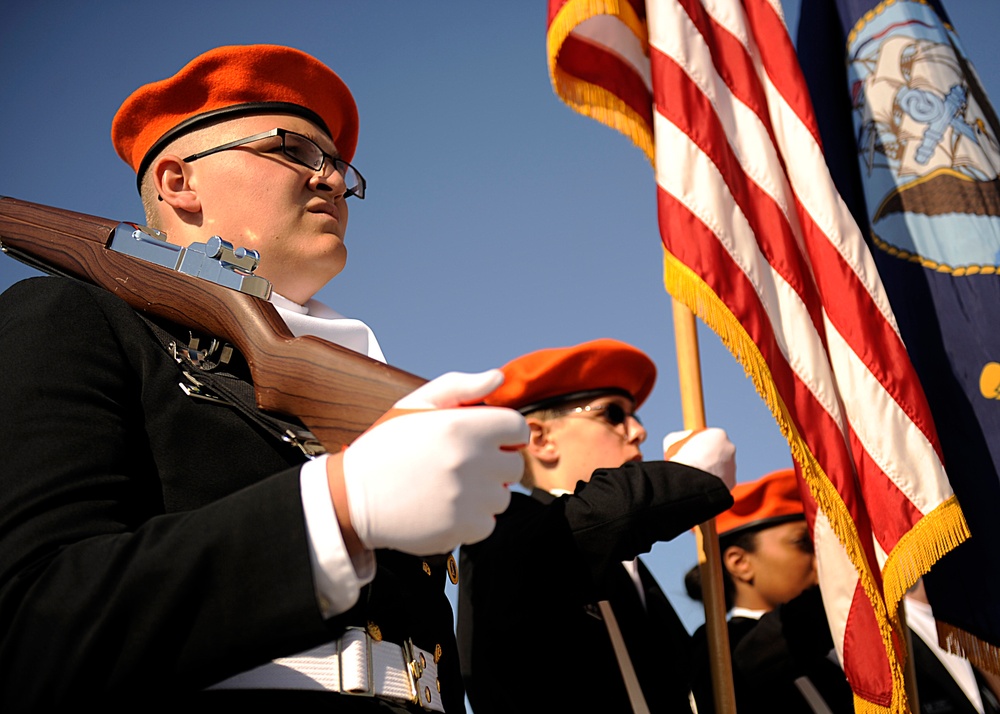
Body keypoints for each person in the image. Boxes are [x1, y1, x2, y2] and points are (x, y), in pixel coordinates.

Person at [0, 44, 529, 711]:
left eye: (339, 167)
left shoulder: (357, 379)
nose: (333, 180)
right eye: (295, 151)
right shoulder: (74, 317)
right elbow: (30, 624)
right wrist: (333, 509)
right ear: (177, 183)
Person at [456, 338, 737, 713]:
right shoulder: (501, 528)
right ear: (540, 439)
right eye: (614, 415)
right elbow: (595, 521)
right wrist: (688, 477)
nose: (638, 431)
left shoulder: (629, 565)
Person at [685, 468, 853, 714]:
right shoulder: (721, 648)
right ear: (739, 563)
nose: (819, 561)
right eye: (803, 544)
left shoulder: (829, 660)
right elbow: (791, 632)